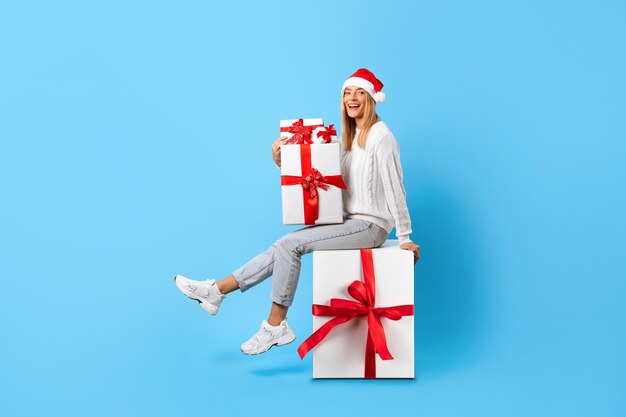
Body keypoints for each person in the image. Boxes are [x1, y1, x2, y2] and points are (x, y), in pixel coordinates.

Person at [174, 68, 420, 355]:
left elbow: (395, 186)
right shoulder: (349, 139)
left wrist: (404, 236)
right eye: (347, 93)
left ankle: (276, 325)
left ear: (371, 99)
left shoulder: (381, 137)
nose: (352, 98)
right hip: (349, 220)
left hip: (371, 226)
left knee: (292, 244)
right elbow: (321, 174)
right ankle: (216, 291)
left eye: (360, 92)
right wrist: (282, 158)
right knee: (282, 245)